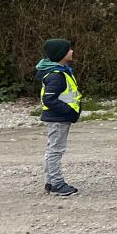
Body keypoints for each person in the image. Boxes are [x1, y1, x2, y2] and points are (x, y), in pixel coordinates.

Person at [36, 38, 82, 197]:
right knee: (55, 151)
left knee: (53, 150)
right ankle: (56, 183)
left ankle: (50, 182)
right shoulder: (56, 75)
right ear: (60, 54)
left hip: (59, 118)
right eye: (68, 50)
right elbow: (49, 99)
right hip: (58, 119)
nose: (72, 51)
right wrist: (68, 111)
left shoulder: (62, 72)